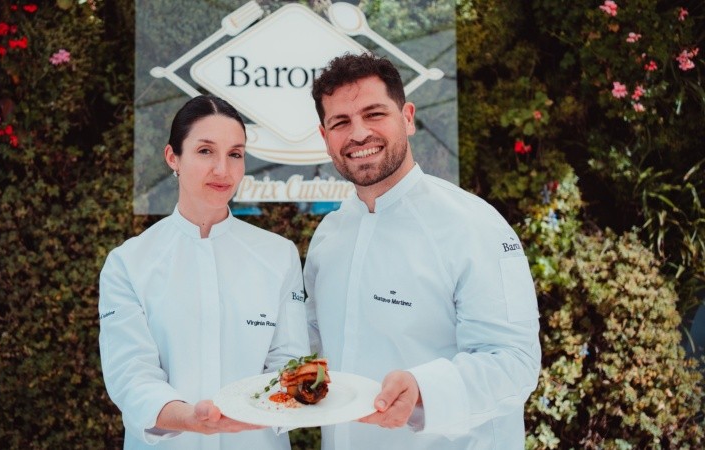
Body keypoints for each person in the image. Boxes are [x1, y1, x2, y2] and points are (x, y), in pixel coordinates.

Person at [304, 52, 541, 449]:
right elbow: (313, 341)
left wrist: (422, 388)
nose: (359, 133)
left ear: (408, 118)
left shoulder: (472, 224)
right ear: (325, 138)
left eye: (374, 114)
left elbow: (514, 362)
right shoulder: (330, 234)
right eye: (340, 122)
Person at [98, 95, 310, 450]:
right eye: (205, 151)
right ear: (173, 158)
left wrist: (255, 411)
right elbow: (131, 374)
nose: (222, 171)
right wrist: (189, 418)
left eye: (235, 154)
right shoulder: (129, 262)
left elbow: (288, 362)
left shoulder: (279, 255)